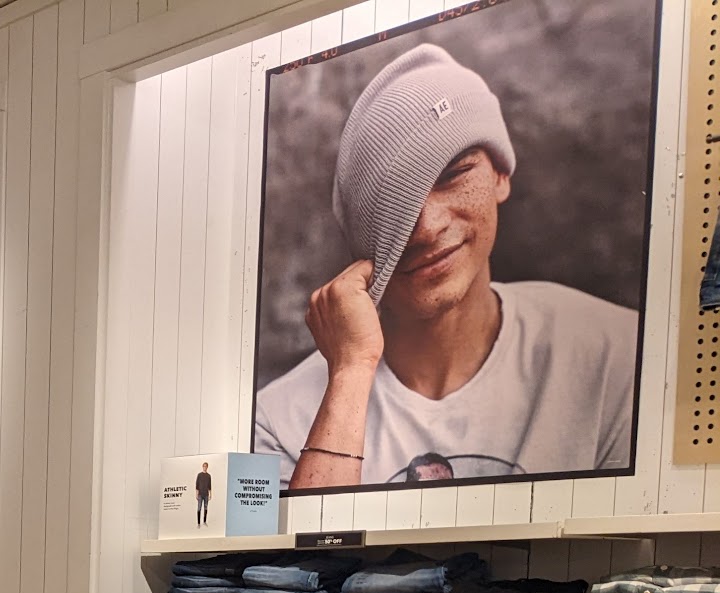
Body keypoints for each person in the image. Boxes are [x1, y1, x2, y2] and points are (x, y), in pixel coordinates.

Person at [254, 43, 638, 490]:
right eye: (391, 202)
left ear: (500, 174)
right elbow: (304, 539)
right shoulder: (278, 419)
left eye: (453, 175)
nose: (425, 227)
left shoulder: (615, 354)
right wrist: (351, 372)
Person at [194, 462, 213, 526]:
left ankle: (204, 521)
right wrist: (196, 494)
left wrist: (210, 494)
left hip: (206, 495)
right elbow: (197, 485)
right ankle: (198, 523)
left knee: (205, 508)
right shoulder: (199, 475)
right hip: (200, 494)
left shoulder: (209, 476)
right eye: (204, 466)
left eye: (206, 466)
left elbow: (209, 486)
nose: (205, 467)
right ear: (202, 467)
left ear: (207, 467)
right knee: (199, 508)